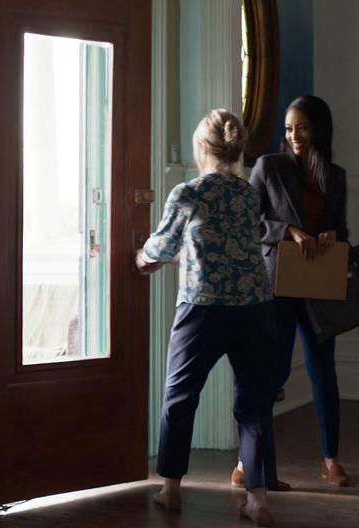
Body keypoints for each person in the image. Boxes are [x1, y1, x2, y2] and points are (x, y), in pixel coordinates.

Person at [136, 109, 278, 526]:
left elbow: (161, 247)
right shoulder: (248, 194)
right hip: (254, 306)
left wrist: (142, 256)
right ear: (235, 152)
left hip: (202, 308)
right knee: (254, 405)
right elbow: (230, 245)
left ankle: (171, 488)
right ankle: (258, 499)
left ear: (202, 148)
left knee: (180, 398)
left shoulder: (189, 193)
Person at [231, 95, 350, 489]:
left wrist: (333, 235)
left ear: (318, 128)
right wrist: (288, 231)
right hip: (278, 282)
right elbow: (249, 221)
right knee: (273, 371)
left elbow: (342, 229)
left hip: (319, 284)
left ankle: (330, 460)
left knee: (324, 375)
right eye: (288, 128)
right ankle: (247, 462)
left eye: (302, 127)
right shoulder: (269, 166)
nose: (294, 136)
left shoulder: (335, 175)